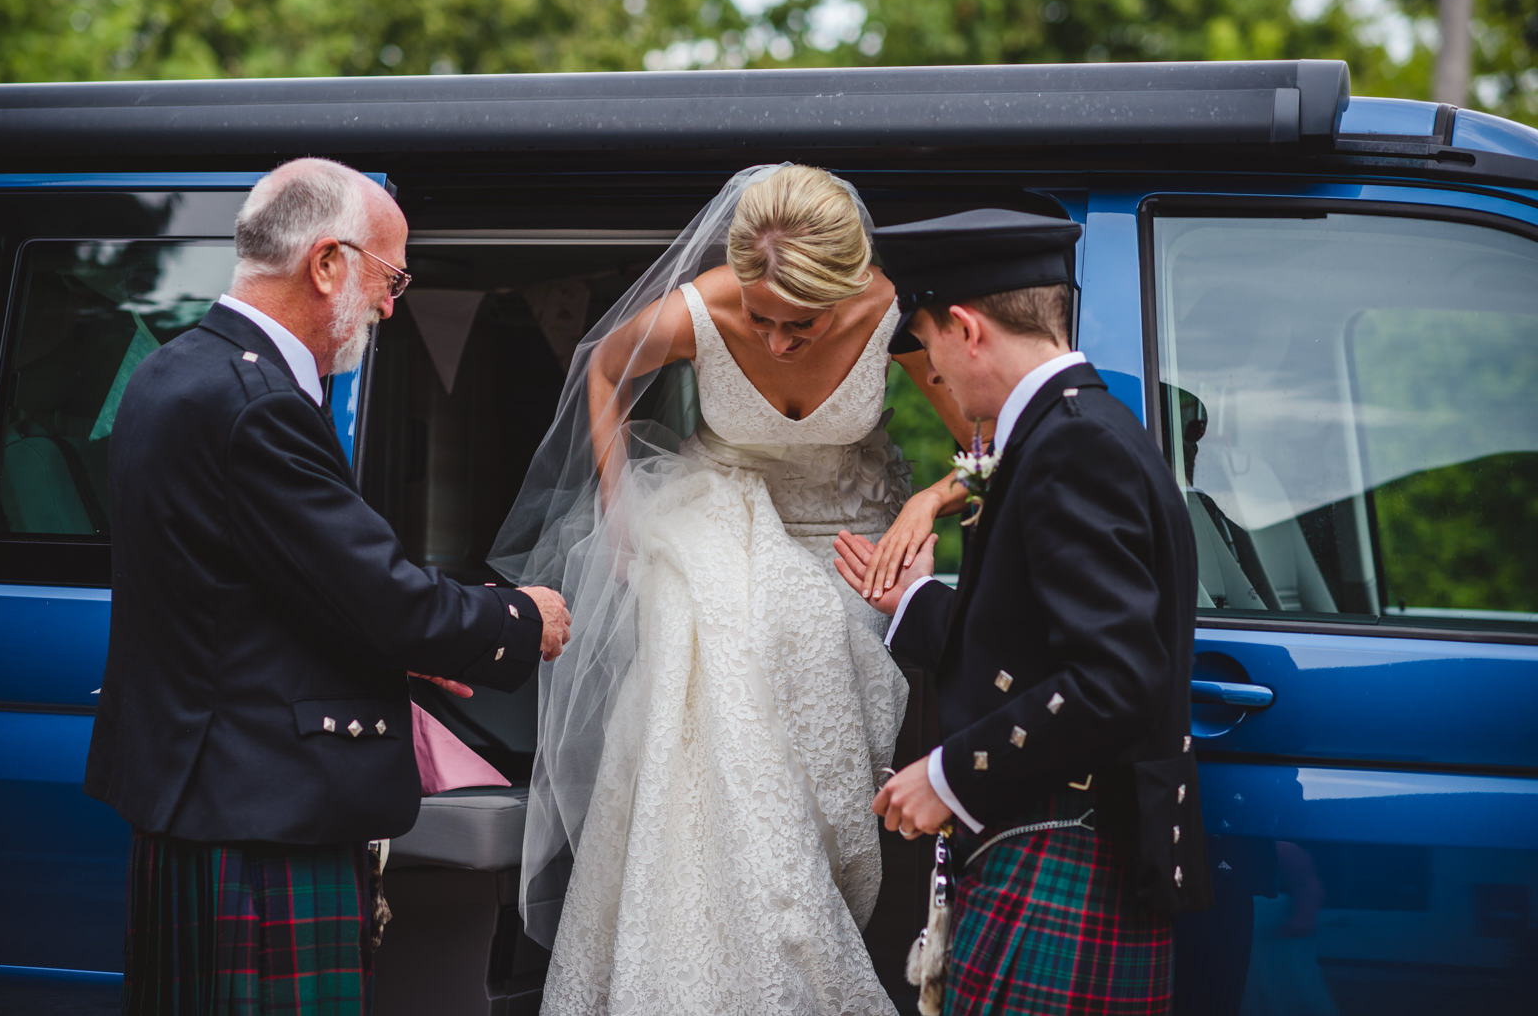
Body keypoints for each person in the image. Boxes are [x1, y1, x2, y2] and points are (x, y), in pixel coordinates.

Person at [84, 157, 571, 1015]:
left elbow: (247, 588)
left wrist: (394, 650)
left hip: (203, 800)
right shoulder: (259, 403)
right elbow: (382, 596)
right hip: (262, 812)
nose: (393, 303)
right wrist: (521, 618)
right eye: (391, 276)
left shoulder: (172, 371)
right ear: (327, 263)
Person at [489, 164, 975, 1015]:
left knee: (817, 648)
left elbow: (983, 439)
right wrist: (617, 507)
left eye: (803, 324)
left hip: (847, 545)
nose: (779, 342)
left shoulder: (892, 314)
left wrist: (931, 501)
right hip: (721, 519)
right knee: (722, 639)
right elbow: (604, 371)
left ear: (848, 292)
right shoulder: (700, 308)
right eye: (761, 319)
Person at [834, 208, 1211, 1015]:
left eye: (929, 349)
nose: (932, 374)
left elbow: (1117, 681)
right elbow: (1038, 642)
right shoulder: (1085, 428)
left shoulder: (1069, 447)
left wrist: (948, 775)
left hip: (1062, 845)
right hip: (1066, 845)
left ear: (966, 329)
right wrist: (916, 604)